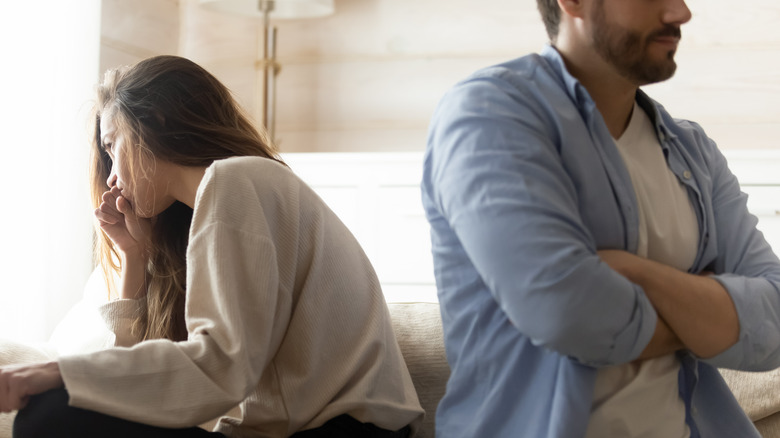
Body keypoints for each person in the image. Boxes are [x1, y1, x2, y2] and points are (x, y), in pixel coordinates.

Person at [0, 55, 423, 437]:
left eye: (112, 145)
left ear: (157, 121)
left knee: (54, 413)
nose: (111, 178)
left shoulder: (237, 180)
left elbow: (221, 367)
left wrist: (61, 373)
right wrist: (134, 257)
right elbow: (139, 391)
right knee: (61, 408)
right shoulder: (215, 209)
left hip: (350, 432)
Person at [421, 0, 780, 437]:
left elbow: (776, 320)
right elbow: (566, 313)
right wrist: (709, 314)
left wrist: (632, 272)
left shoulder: (694, 149)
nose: (680, 13)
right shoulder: (487, 113)